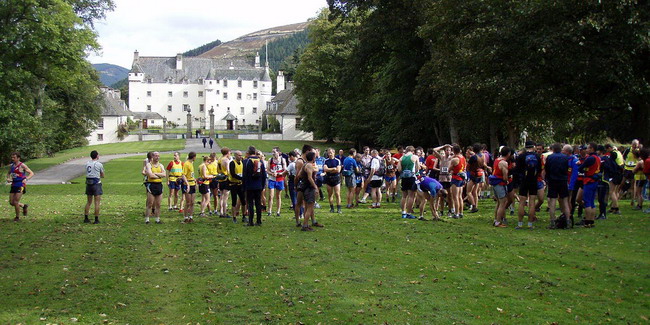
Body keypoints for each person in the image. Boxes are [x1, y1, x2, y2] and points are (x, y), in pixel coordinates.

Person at [515, 141, 542, 229]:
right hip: (533, 181)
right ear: (533, 147)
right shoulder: (537, 157)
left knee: (522, 202)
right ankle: (530, 224)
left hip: (524, 181)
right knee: (532, 202)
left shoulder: (521, 156)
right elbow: (539, 169)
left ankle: (520, 223)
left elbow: (517, 169)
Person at [544, 144, 571, 228]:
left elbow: (547, 169)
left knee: (552, 201)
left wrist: (547, 178)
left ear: (553, 149)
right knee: (565, 201)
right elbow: (567, 168)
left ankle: (552, 222)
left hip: (552, 180)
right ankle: (568, 221)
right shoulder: (565, 157)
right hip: (563, 180)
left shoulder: (550, 157)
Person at [578, 143, 601, 228]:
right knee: (592, 202)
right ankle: (592, 221)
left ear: (592, 149)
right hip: (595, 180)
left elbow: (581, 167)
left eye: (588, 148)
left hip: (589, 180)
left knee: (587, 201)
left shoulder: (590, 158)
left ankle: (587, 221)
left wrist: (581, 166)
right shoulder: (598, 158)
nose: (586, 150)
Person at [243, 146, 267, 226]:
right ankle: (259, 221)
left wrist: (244, 186)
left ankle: (251, 221)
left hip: (249, 186)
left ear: (249, 152)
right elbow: (264, 175)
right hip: (258, 186)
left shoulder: (246, 161)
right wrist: (262, 186)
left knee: (250, 204)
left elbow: (244, 175)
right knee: (258, 203)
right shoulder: (260, 161)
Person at [297, 151, 319, 231]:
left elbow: (299, 175)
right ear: (313, 158)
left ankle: (307, 224)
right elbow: (310, 178)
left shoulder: (304, 165)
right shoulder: (309, 165)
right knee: (310, 207)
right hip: (309, 188)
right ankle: (305, 225)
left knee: (307, 206)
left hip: (304, 187)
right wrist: (315, 187)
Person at [489, 147, 511, 227]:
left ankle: (496, 219)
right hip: (500, 184)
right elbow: (505, 176)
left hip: (495, 183)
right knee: (503, 203)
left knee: (499, 202)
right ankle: (498, 221)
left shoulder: (497, 160)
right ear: (508, 154)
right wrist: (507, 180)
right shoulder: (504, 163)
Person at [81, 150, 103, 224]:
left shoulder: (87, 163)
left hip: (88, 183)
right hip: (96, 184)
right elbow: (102, 175)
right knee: (97, 202)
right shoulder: (99, 164)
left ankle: (86, 218)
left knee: (89, 202)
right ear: (97, 156)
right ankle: (96, 219)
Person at [144, 152, 166, 224]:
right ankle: (147, 219)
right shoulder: (149, 165)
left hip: (159, 185)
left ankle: (157, 219)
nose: (157, 157)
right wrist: (159, 175)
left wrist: (155, 174)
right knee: (150, 203)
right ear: (152, 157)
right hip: (151, 185)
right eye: (156, 156)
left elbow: (164, 174)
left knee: (158, 204)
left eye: (158, 156)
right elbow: (150, 175)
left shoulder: (161, 165)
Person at [398, 146, 419, 219]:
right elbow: (417, 168)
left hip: (404, 178)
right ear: (413, 151)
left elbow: (399, 169)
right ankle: (409, 213)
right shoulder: (414, 157)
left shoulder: (401, 158)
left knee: (404, 196)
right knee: (411, 196)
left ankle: (403, 212)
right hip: (411, 177)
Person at [267, 148, 287, 217]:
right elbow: (268, 170)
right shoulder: (270, 160)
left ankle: (278, 211)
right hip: (272, 179)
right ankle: (269, 211)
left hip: (279, 179)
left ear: (278, 152)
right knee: (270, 196)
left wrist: (279, 174)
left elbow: (285, 170)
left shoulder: (282, 160)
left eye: (274, 152)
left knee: (278, 196)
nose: (273, 153)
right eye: (272, 152)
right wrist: (271, 173)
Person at [448, 144, 467, 219]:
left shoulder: (455, 159)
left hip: (455, 177)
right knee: (460, 196)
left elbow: (449, 169)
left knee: (455, 197)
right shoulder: (463, 157)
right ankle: (461, 212)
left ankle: (456, 213)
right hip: (461, 177)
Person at [604, 144, 624, 215]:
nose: (607, 151)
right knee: (615, 191)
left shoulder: (613, 154)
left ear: (609, 148)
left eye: (607, 149)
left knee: (611, 192)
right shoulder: (619, 152)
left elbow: (611, 165)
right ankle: (613, 207)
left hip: (615, 174)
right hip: (620, 173)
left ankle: (616, 208)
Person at [228, 151, 246, 223]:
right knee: (234, 201)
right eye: (239, 155)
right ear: (235, 155)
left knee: (243, 201)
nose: (240, 156)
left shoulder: (242, 162)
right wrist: (241, 178)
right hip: (233, 184)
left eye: (241, 155)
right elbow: (233, 174)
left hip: (240, 184)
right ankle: (234, 217)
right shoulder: (232, 163)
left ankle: (244, 216)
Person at [323, 148, 342, 213]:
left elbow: (338, 170)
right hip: (328, 178)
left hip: (336, 178)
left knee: (337, 193)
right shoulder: (326, 161)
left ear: (334, 153)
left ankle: (339, 208)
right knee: (330, 194)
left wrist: (330, 169)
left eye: (331, 152)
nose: (330, 154)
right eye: (329, 153)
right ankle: (332, 208)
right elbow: (325, 169)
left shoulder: (337, 161)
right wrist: (333, 169)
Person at [181, 152, 197, 223]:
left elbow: (191, 174)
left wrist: (195, 180)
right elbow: (183, 175)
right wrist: (187, 184)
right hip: (188, 184)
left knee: (192, 202)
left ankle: (191, 216)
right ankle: (185, 217)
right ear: (193, 157)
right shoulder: (186, 164)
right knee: (188, 202)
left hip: (192, 183)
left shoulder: (191, 163)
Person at [217, 147, 232, 218]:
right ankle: (225, 212)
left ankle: (221, 212)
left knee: (221, 196)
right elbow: (228, 170)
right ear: (227, 152)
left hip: (220, 179)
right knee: (225, 196)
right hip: (226, 179)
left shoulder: (219, 159)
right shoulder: (226, 160)